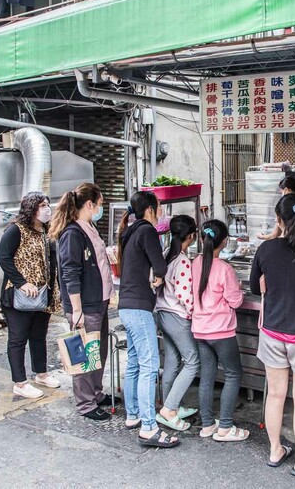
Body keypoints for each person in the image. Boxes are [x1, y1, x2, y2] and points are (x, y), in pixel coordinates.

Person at [250, 194, 295, 475]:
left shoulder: (267, 250)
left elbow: (257, 289)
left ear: (279, 222)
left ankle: (275, 449)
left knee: (276, 395)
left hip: (272, 332)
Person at [50, 183, 114, 420]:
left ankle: (96, 392)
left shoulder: (89, 227)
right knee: (85, 357)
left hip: (100, 301)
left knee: (99, 351)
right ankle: (86, 403)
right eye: (100, 204)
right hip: (84, 306)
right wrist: (76, 310)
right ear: (90, 204)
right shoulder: (72, 233)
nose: (101, 208)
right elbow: (70, 273)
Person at [118, 191, 176, 447]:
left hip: (126, 304)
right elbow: (161, 267)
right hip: (140, 306)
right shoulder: (147, 231)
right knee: (149, 365)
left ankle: (133, 415)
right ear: (150, 210)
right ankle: (149, 427)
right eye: (159, 207)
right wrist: (159, 276)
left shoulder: (130, 231)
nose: (161, 211)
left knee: (134, 362)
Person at [0, 192, 61, 400]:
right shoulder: (16, 230)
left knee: (39, 334)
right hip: (19, 295)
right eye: (42, 205)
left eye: (47, 205)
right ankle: (20, 382)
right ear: (31, 208)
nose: (46, 209)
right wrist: (22, 283)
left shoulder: (45, 230)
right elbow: (4, 258)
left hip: (43, 294)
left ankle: (41, 373)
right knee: (18, 338)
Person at [192, 220, 249, 443]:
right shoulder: (225, 269)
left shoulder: (195, 263)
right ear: (224, 242)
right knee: (233, 374)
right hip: (221, 331)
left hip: (200, 330)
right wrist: (240, 292)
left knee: (207, 375)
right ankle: (225, 426)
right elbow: (235, 301)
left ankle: (207, 424)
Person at [155, 215, 199, 431]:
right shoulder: (182, 261)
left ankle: (169, 404)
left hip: (162, 313)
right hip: (176, 315)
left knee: (172, 359)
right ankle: (169, 409)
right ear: (191, 236)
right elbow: (184, 295)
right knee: (192, 361)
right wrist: (194, 313)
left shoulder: (167, 254)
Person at [257, 176, 295, 240]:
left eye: (281, 193)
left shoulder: (283, 208)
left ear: (286, 190)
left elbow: (275, 235)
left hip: (290, 245)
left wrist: (261, 236)